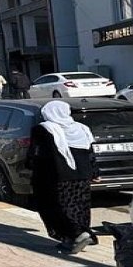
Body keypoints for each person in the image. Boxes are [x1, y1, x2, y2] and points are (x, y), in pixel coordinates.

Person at [28, 101, 98, 254]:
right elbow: (90, 154)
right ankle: (77, 236)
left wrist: (29, 168)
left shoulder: (44, 129)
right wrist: (94, 173)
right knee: (79, 206)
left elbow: (37, 154)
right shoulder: (82, 129)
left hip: (55, 176)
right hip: (82, 175)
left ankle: (76, 234)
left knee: (54, 206)